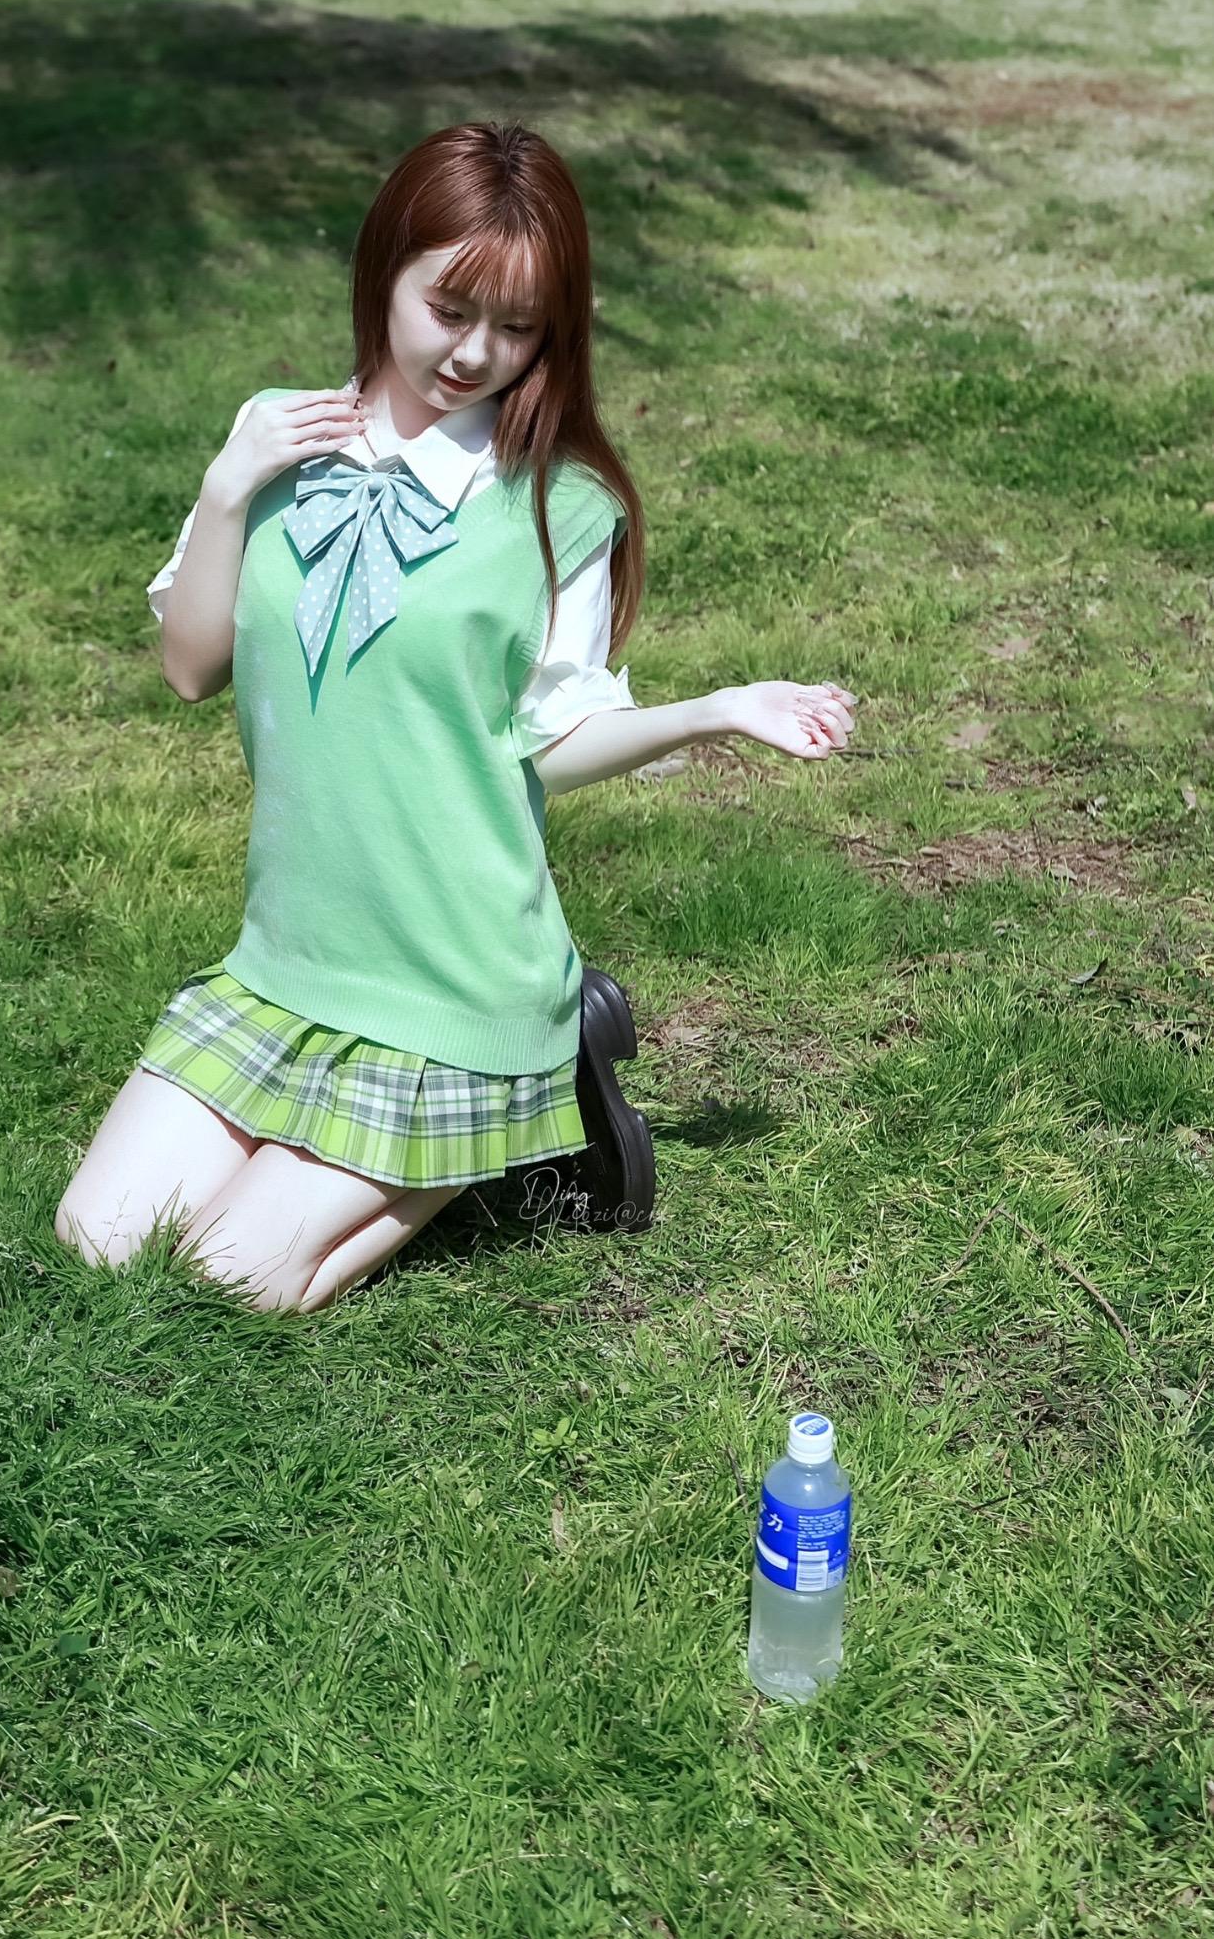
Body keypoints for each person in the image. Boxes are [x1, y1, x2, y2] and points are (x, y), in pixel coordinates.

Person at [56, 121, 857, 1315]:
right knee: (97, 1239)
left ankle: (521, 1102)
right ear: (382, 270)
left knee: (229, 1281)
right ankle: (462, 1139)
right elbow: (189, 668)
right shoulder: (277, 437)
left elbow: (547, 742)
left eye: (516, 327)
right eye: (447, 308)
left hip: (456, 972)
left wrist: (712, 711)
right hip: (291, 955)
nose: (474, 352)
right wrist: (229, 486)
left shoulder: (558, 507)